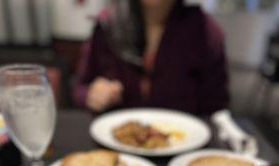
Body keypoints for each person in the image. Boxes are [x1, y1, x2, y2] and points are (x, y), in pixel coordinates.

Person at [72, 0, 229, 116]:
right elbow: (79, 89)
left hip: (182, 147)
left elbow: (217, 107)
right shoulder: (108, 25)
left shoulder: (205, 32)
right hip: (116, 146)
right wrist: (91, 94)